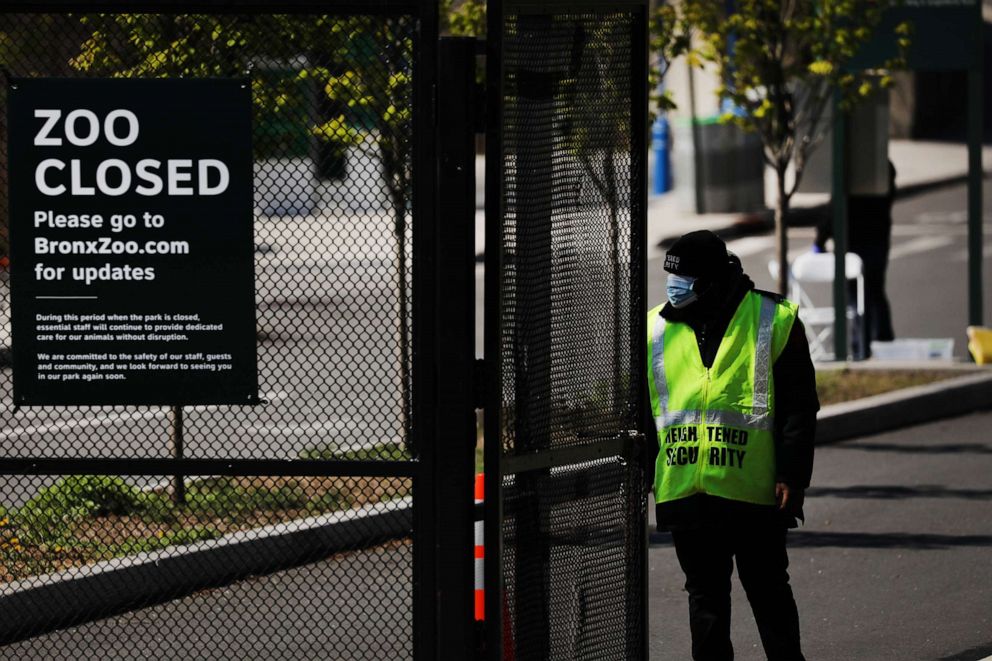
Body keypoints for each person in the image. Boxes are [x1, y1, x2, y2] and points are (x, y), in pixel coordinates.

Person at [645, 230, 819, 661]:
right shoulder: (654, 328)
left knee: (768, 593)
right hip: (686, 488)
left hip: (753, 491)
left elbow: (799, 407)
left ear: (708, 281)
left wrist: (793, 475)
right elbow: (644, 411)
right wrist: (646, 473)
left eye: (683, 280)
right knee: (705, 601)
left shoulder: (772, 320)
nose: (673, 289)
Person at [814, 160, 897, 355]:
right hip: (877, 238)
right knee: (875, 291)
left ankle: (862, 345)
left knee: (858, 297)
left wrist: (820, 240)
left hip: (853, 242)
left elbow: (834, 210)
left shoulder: (852, 171)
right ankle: (882, 342)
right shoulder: (882, 165)